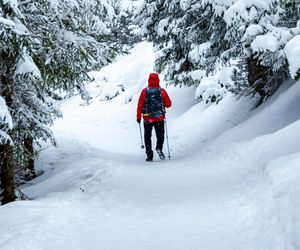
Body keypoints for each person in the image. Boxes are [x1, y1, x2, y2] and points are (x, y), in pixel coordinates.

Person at [136, 73, 172, 161]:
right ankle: (159, 148)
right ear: (158, 80)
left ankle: (149, 155)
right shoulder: (161, 91)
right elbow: (169, 104)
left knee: (147, 136)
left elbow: (140, 105)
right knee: (160, 135)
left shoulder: (145, 91)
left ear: (149, 80)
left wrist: (138, 117)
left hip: (147, 118)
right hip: (159, 118)